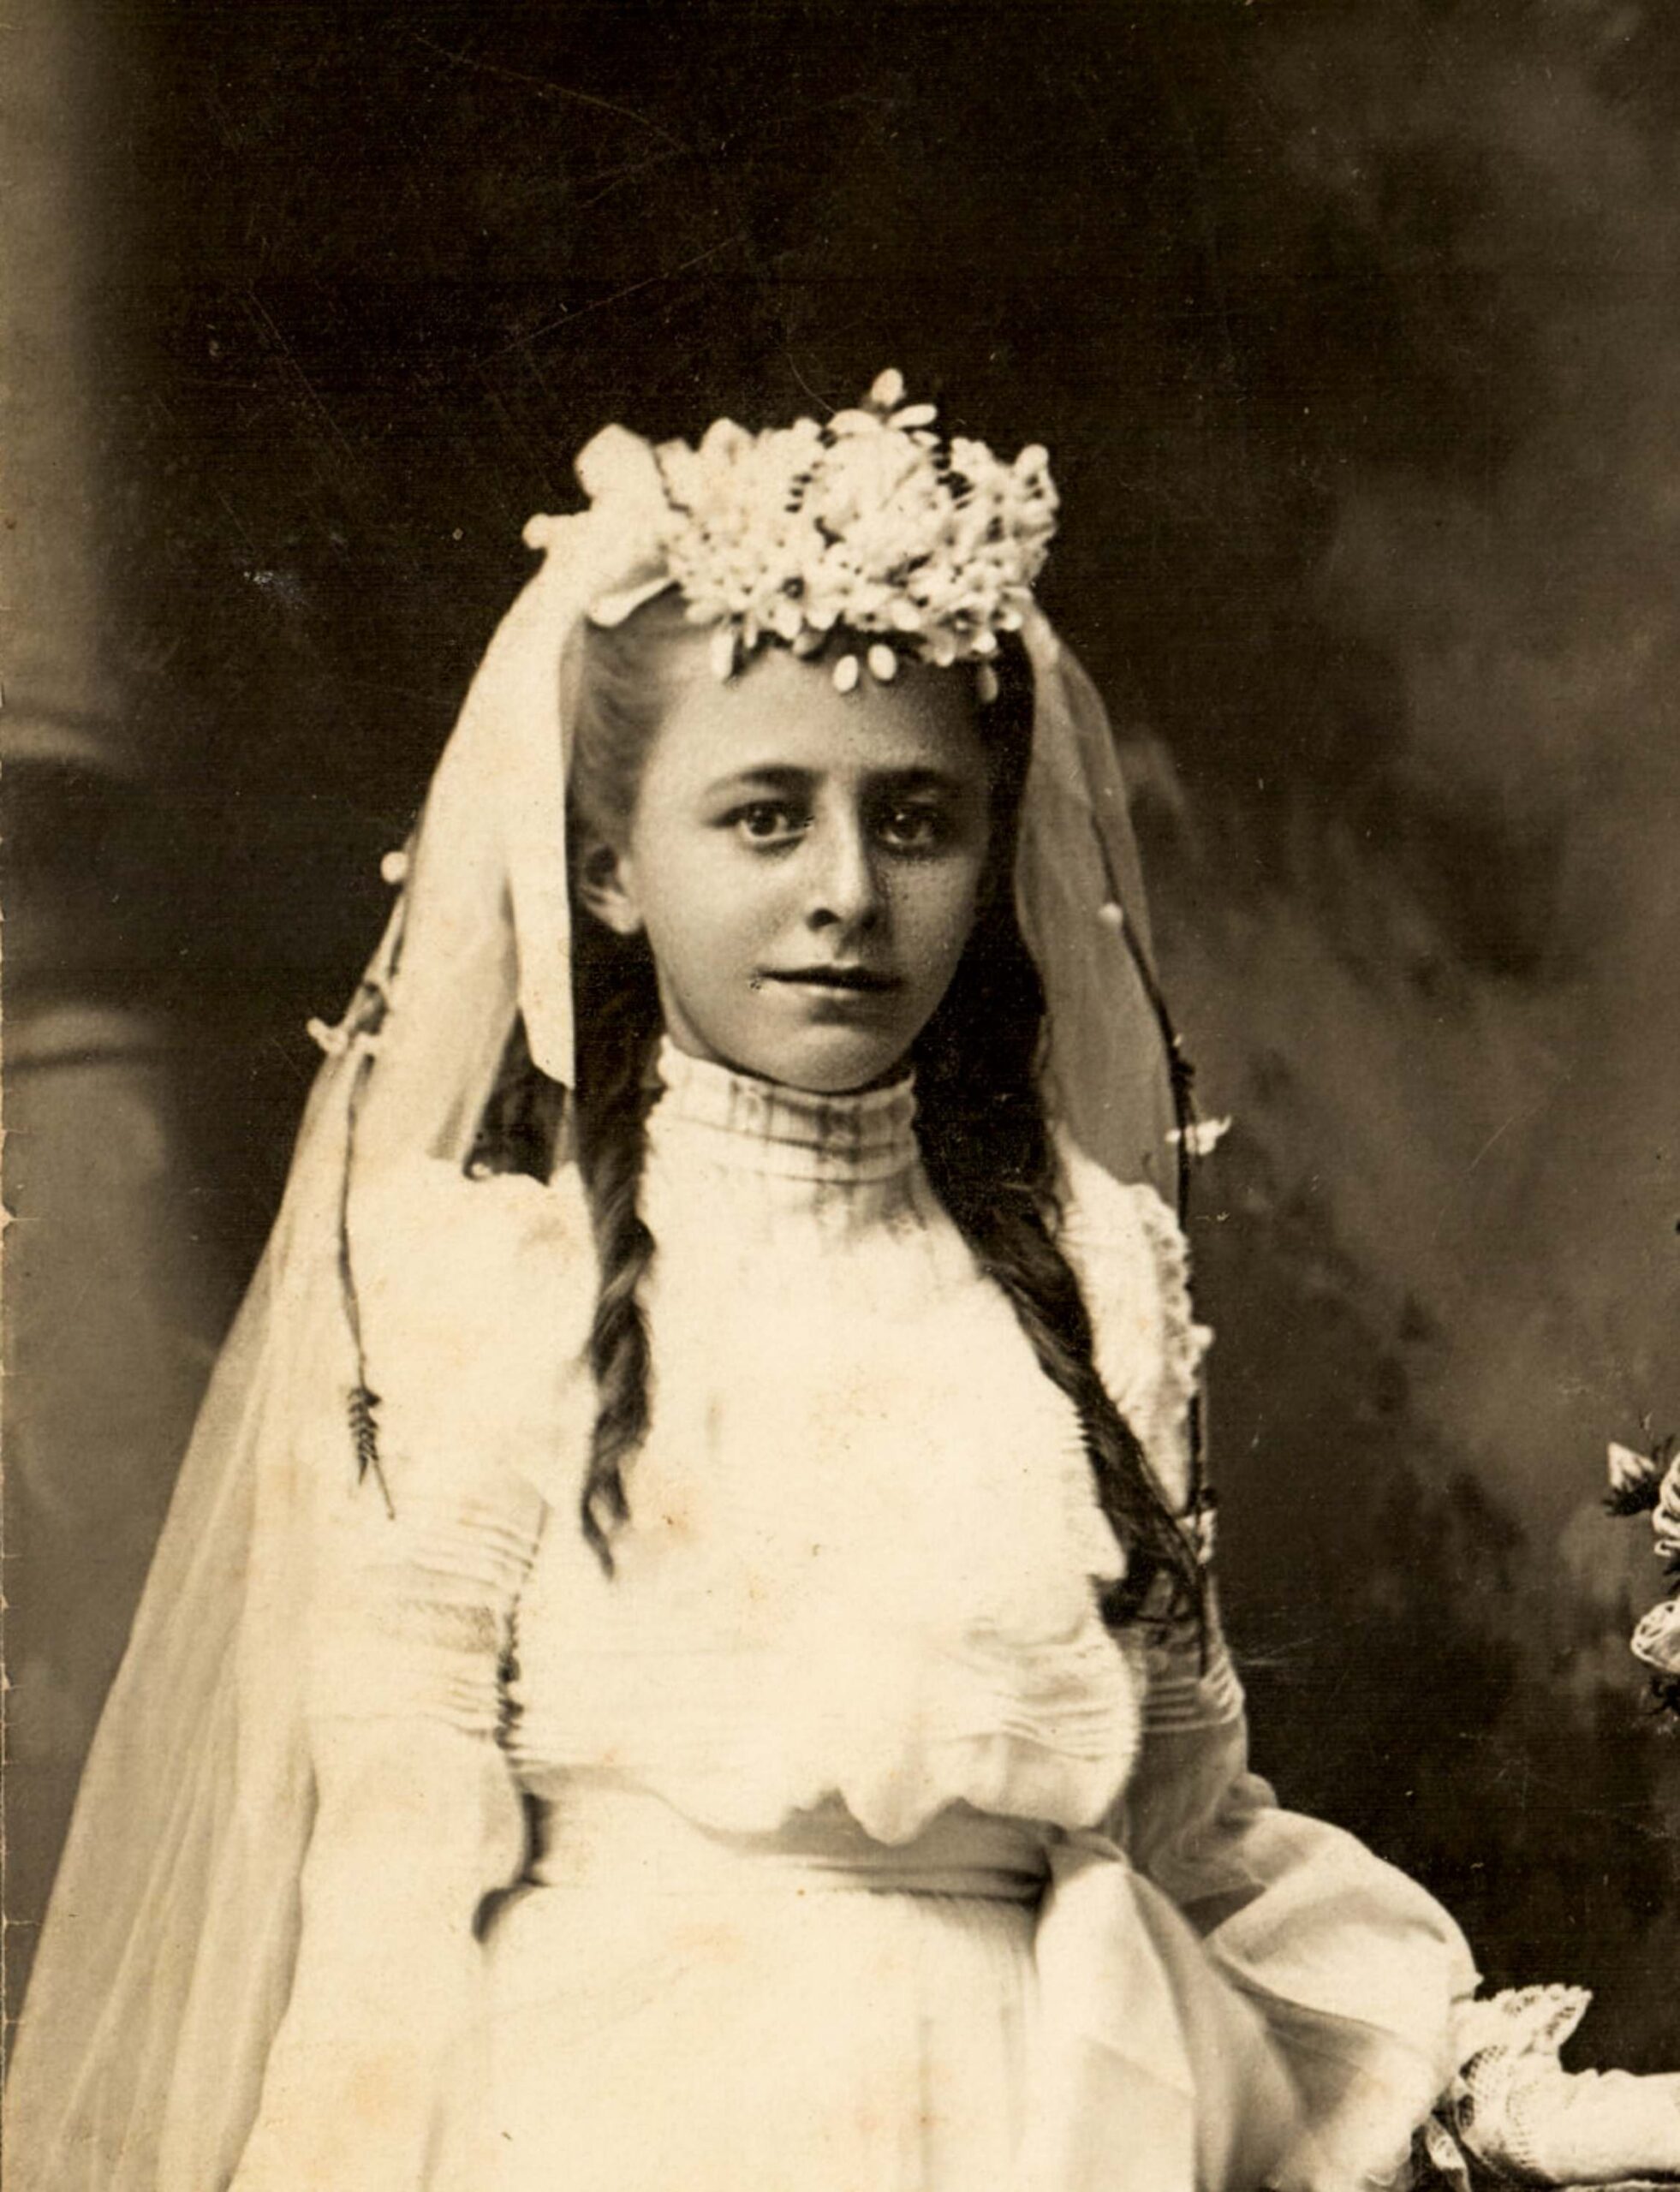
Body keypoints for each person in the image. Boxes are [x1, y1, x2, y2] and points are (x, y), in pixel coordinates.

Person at [8, 375, 1678, 2192]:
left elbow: (1191, 1844)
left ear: (992, 845)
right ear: (608, 867)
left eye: (913, 818)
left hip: (1038, 2123)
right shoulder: (490, 1284)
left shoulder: (1092, 1280)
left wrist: (1477, 2091)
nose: (844, 894)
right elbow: (392, 1864)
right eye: (762, 815)